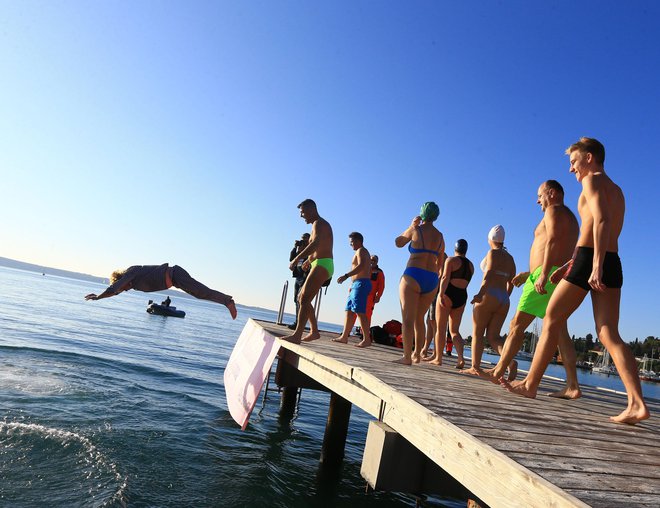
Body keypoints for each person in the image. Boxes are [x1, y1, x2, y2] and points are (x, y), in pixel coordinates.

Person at [505, 138, 649, 424]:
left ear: (590, 158)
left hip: (592, 259)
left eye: (573, 161)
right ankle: (636, 403)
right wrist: (572, 264)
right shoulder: (617, 190)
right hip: (609, 260)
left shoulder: (592, 180)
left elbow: (603, 221)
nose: (571, 169)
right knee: (608, 333)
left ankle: (530, 385)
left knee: (551, 316)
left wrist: (590, 265)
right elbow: (599, 227)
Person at [483, 181, 582, 398]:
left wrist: (542, 273)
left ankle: (498, 371)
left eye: (540, 195)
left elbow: (554, 241)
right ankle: (573, 385)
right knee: (558, 331)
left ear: (552, 193)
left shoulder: (554, 210)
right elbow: (560, 248)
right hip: (552, 274)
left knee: (517, 324)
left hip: (546, 276)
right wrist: (531, 273)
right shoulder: (571, 217)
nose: (537, 200)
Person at [84, 264, 237, 319]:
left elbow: (114, 288)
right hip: (176, 280)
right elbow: (114, 291)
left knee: (201, 292)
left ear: (121, 280)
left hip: (175, 274)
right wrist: (100, 298)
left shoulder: (132, 272)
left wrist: (98, 297)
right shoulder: (132, 283)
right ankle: (226, 301)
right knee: (199, 293)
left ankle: (228, 301)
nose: (125, 290)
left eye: (123, 288)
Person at [462, 226, 516, 377]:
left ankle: (475, 367)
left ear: (490, 239)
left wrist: (480, 294)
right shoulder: (510, 258)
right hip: (503, 299)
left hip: (489, 294)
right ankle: (510, 362)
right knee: (494, 337)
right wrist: (505, 297)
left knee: (478, 333)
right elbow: (511, 281)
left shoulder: (492, 253)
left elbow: (489, 273)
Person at [395, 202, 444, 365]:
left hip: (413, 274)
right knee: (419, 318)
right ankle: (417, 354)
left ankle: (407, 357)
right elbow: (441, 260)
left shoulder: (416, 229)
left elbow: (398, 242)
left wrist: (410, 226)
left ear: (422, 214)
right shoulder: (440, 236)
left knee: (408, 319)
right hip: (431, 278)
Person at [282, 199, 334, 344]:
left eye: (303, 212)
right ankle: (314, 331)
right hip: (319, 262)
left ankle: (297, 335)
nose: (301, 216)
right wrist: (308, 261)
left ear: (311, 210)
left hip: (323, 264)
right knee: (302, 298)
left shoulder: (319, 223)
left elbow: (316, 243)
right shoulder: (316, 225)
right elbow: (319, 246)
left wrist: (296, 259)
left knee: (303, 298)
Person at [427, 239, 474, 368]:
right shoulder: (471, 265)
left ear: (455, 249)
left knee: (440, 328)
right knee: (454, 331)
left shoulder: (451, 260)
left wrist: (441, 294)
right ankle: (460, 359)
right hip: (462, 295)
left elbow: (445, 277)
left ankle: (438, 358)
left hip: (448, 293)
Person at [333, 232, 373, 348]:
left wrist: (346, 276)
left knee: (359, 311)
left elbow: (361, 266)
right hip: (356, 284)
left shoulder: (361, 251)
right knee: (349, 310)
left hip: (361, 283)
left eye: (352, 242)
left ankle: (366, 339)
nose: (350, 244)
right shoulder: (359, 251)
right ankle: (344, 336)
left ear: (358, 241)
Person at [288, 233, 311, 330]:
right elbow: (291, 259)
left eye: (305, 240)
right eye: (302, 240)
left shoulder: (310, 251)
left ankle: (299, 324)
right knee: (296, 300)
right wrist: (295, 248)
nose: (303, 242)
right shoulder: (299, 251)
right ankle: (297, 322)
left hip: (305, 278)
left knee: (301, 301)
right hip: (298, 277)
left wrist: (305, 248)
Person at [366, 255, 385, 326]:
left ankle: (365, 333)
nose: (372, 262)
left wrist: (378, 296)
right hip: (360, 294)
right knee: (353, 313)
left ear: (377, 262)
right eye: (371, 260)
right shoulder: (363, 269)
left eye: (374, 260)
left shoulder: (379, 272)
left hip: (370, 297)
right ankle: (347, 331)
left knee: (367, 315)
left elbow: (381, 286)